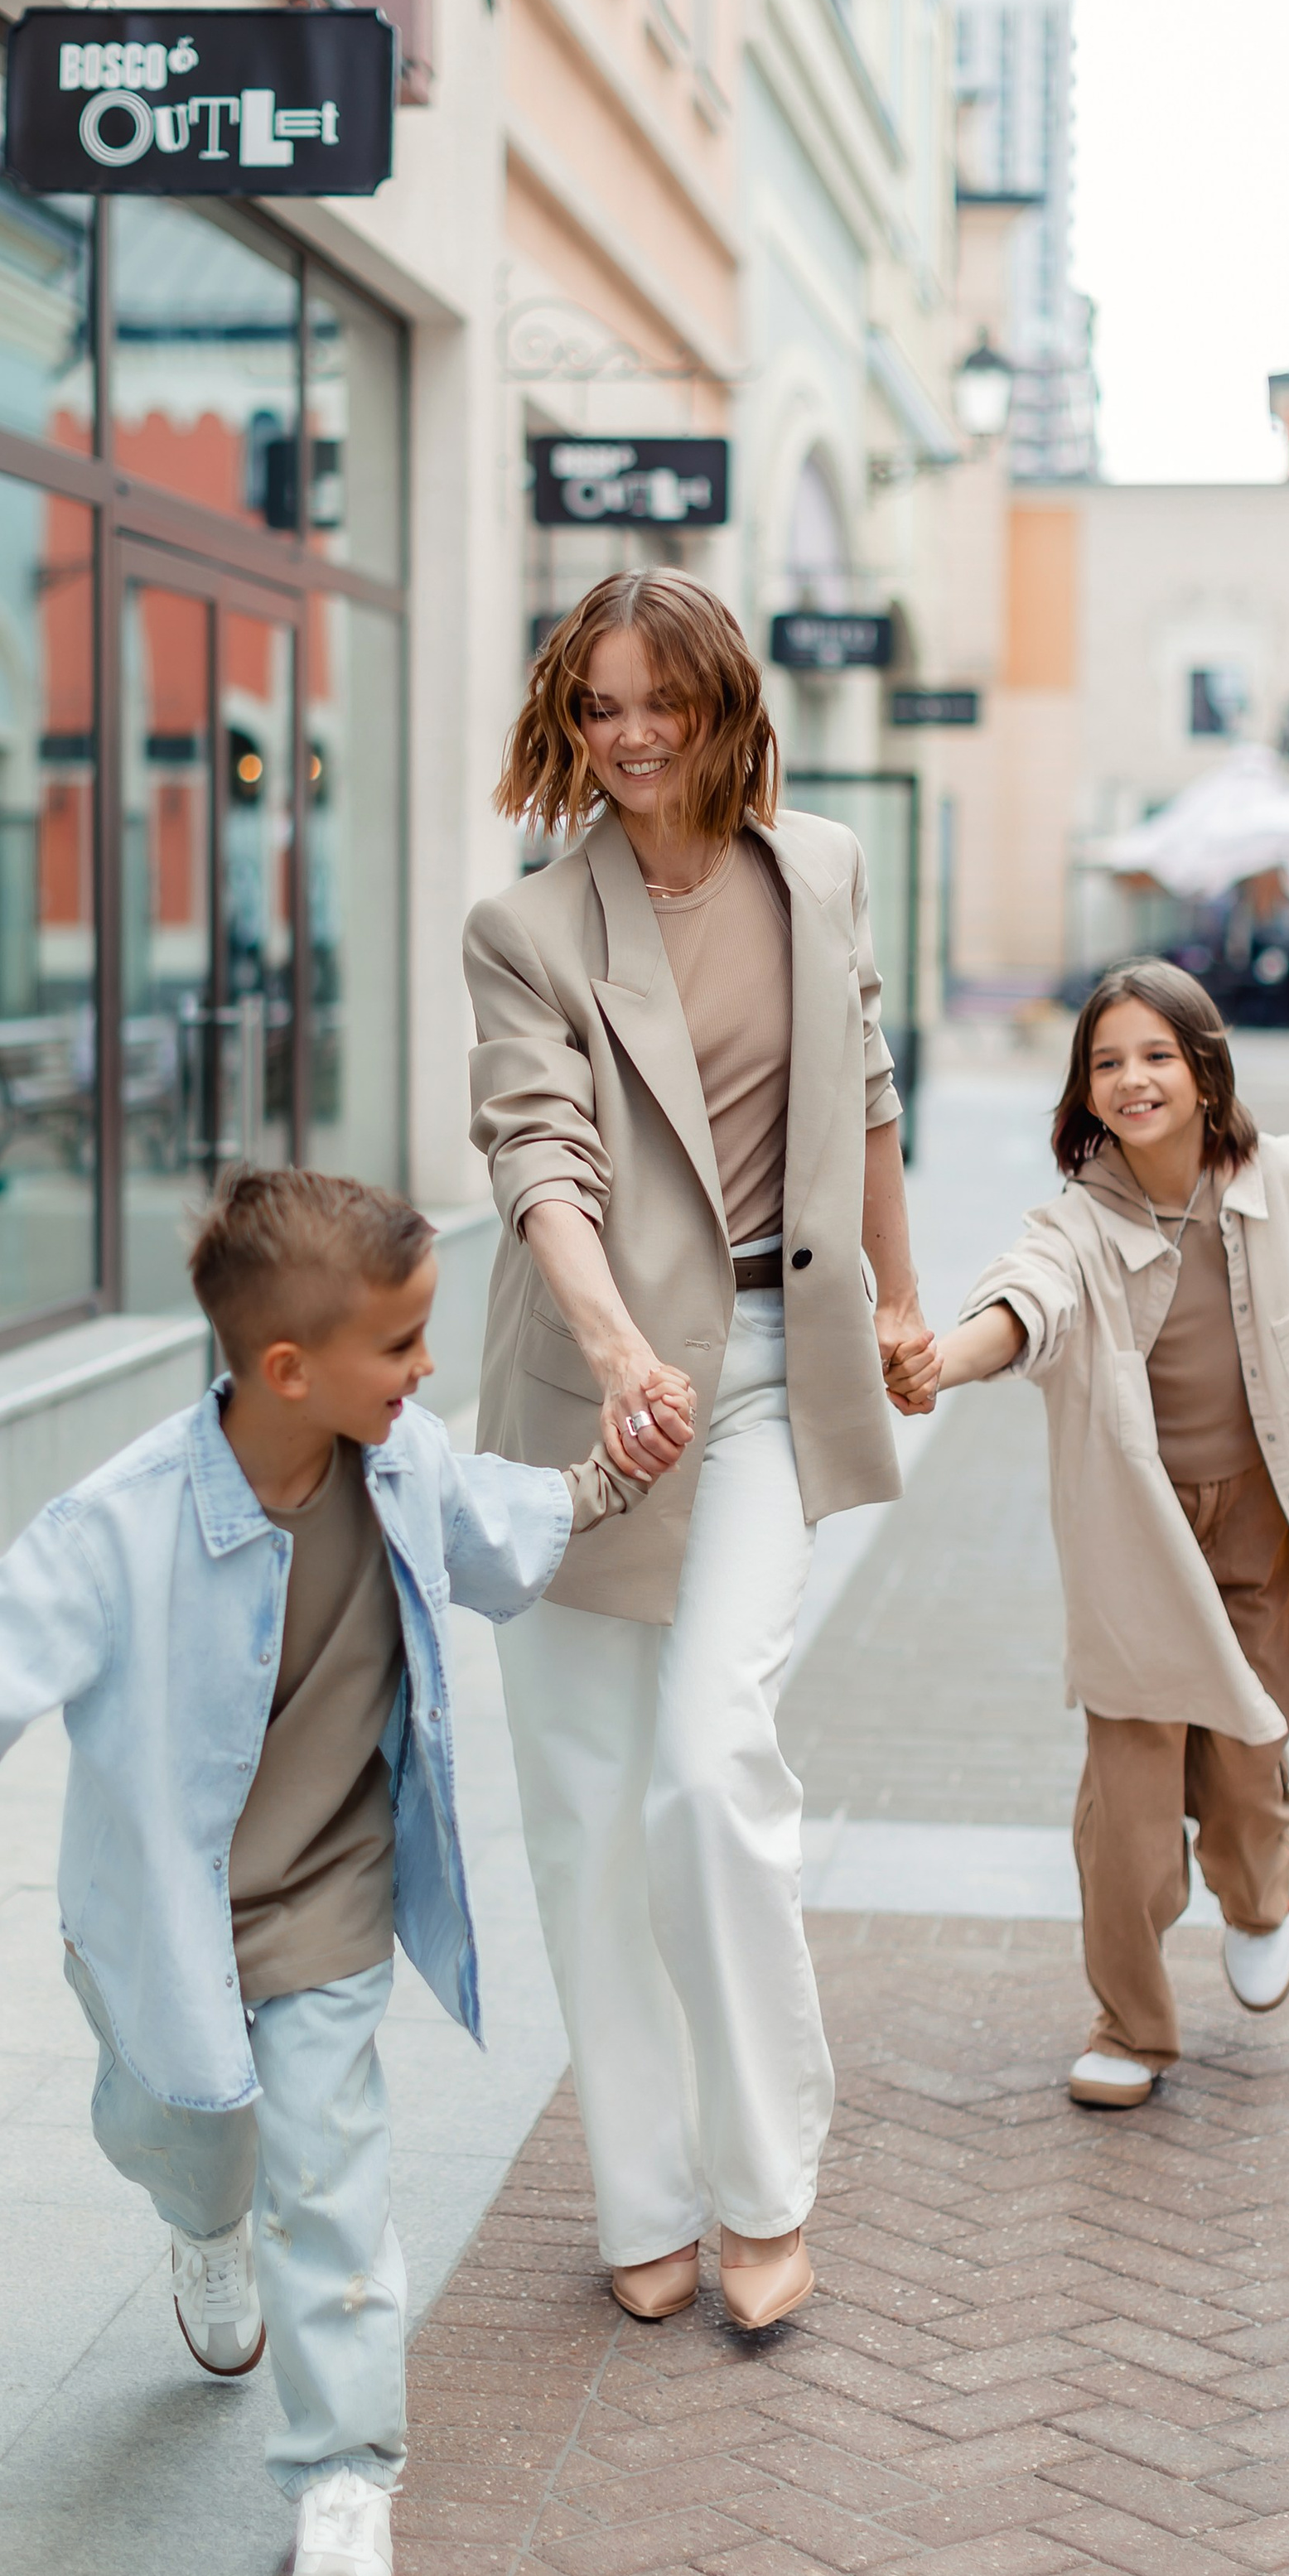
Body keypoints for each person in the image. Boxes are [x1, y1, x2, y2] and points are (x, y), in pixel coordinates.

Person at [0, 1167, 654, 2576]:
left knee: (329, 2176)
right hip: (167, 1918)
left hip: (328, 1898)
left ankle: (341, 2473)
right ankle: (202, 2230)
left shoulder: (402, 1460)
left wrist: (621, 1467)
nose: (425, 1368)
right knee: (194, 2136)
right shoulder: (122, 1519)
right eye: (400, 1344)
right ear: (288, 1368)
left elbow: (513, 1518)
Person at [463, 567, 939, 2332]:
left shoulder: (814, 865)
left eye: (662, 698)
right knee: (585, 1809)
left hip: (762, 1373)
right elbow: (537, 1158)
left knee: (706, 1763)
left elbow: (867, 1090)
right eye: (598, 704)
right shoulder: (528, 927)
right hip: (588, 1405)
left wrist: (901, 1302)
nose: (631, 733)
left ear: (725, 701)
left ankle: (763, 2180)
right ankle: (641, 2191)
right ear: (565, 718)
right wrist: (606, 1348)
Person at [932, 961, 1289, 2107]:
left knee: (1247, 1774)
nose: (1132, 1078)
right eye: (1107, 1061)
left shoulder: (1278, 1180)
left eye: (1156, 1054)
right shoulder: (1074, 1224)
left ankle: (1262, 1893)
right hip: (1139, 1544)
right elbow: (1022, 1303)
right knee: (1131, 1800)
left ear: (1206, 1068)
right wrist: (940, 1364)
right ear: (1084, 1091)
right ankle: (1130, 2021)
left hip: (1262, 1525)